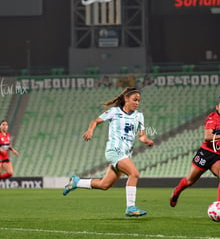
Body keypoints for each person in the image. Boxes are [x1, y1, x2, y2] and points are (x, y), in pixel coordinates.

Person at [63, 87, 154, 217]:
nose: (137, 103)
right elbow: (96, 121)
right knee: (134, 173)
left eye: (139, 100)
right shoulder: (114, 112)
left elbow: (141, 136)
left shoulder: (139, 116)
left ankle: (76, 182)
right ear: (126, 99)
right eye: (135, 100)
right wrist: (90, 130)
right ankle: (131, 207)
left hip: (126, 154)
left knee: (104, 185)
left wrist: (147, 140)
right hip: (114, 151)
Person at [170, 96, 220, 207]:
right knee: (190, 181)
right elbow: (207, 136)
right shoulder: (212, 118)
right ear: (217, 107)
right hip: (206, 153)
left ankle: (219, 205)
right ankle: (177, 192)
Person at [0, 120, 19, 196]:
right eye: (3, 124)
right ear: (0, 126)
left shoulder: (7, 135)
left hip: (5, 157)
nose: (5, 126)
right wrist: (0, 149)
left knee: (10, 173)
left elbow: (7, 145)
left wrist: (13, 150)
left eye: (6, 125)